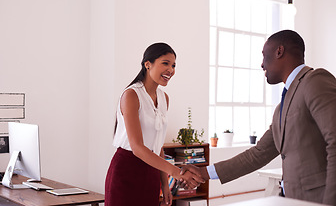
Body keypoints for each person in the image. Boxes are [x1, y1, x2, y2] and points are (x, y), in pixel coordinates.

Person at [180, 30, 336, 205]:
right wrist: (203, 173)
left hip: (319, 199)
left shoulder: (315, 80)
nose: (262, 64)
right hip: (293, 199)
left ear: (279, 51)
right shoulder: (282, 107)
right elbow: (258, 154)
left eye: (264, 55)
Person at [105, 43, 203, 206]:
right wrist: (177, 173)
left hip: (151, 173)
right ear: (147, 64)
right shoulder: (131, 95)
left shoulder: (164, 99)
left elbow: (158, 146)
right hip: (126, 170)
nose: (170, 70)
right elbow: (137, 147)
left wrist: (165, 185)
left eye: (173, 66)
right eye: (165, 63)